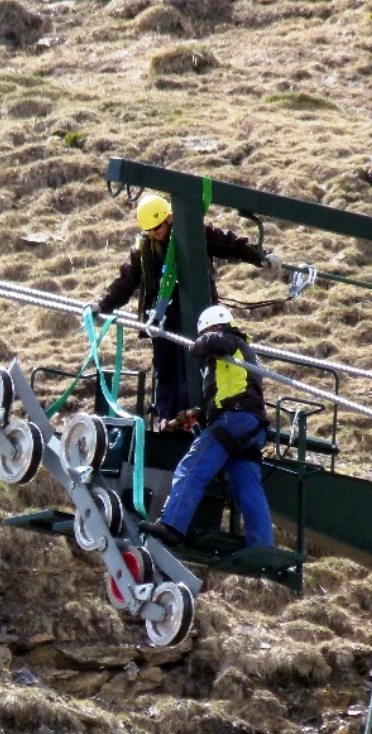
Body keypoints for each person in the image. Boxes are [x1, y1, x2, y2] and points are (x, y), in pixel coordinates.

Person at [90, 193, 281, 427]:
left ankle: (192, 419)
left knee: (190, 369)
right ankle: (167, 420)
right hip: (162, 319)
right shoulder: (145, 248)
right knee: (165, 371)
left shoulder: (192, 232)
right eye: (149, 230)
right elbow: (127, 280)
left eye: (158, 227)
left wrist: (259, 256)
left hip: (194, 316)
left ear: (169, 218)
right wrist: (103, 305)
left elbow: (228, 243)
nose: (155, 233)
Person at [139, 305, 274, 549]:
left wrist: (196, 344)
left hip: (233, 420)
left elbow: (210, 343)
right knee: (246, 488)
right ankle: (262, 545)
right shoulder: (237, 359)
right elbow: (226, 394)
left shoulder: (231, 342)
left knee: (191, 467)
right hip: (251, 426)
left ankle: (172, 525)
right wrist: (197, 417)